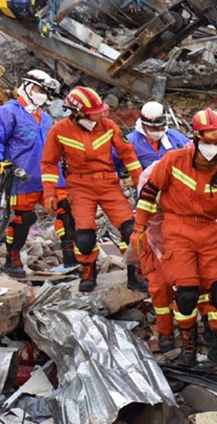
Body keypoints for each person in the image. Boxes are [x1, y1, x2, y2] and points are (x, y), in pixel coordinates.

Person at [133, 108, 217, 367]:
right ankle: (188, 347)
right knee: (186, 294)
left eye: (216, 143)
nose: (211, 147)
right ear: (195, 139)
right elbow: (149, 193)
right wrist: (139, 228)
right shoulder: (174, 160)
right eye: (207, 142)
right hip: (177, 229)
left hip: (210, 231)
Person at [41, 86, 145, 292]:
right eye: (92, 114)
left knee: (130, 229)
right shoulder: (59, 131)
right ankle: (88, 270)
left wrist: (140, 183)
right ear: (76, 112)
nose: (97, 118)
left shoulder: (108, 126)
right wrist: (49, 192)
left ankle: (135, 272)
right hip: (79, 187)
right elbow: (49, 163)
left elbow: (128, 155)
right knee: (84, 236)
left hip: (108, 184)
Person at [0, 70, 76, 277]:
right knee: (24, 217)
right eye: (39, 89)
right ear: (26, 86)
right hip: (21, 177)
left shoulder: (45, 118)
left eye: (45, 91)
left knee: (65, 208)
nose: (42, 94)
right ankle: (12, 258)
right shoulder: (8, 112)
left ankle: (71, 256)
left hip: (49, 176)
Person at [125, 102, 189, 351]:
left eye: (161, 125)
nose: (158, 130)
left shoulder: (174, 138)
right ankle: (165, 332)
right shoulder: (132, 141)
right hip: (150, 204)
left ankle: (187, 331)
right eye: (154, 126)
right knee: (158, 282)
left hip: (177, 208)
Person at [123, 101, 188, 169]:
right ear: (144, 125)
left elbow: (192, 151)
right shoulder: (131, 142)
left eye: (162, 126)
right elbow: (113, 163)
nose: (160, 130)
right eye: (155, 128)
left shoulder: (174, 136)